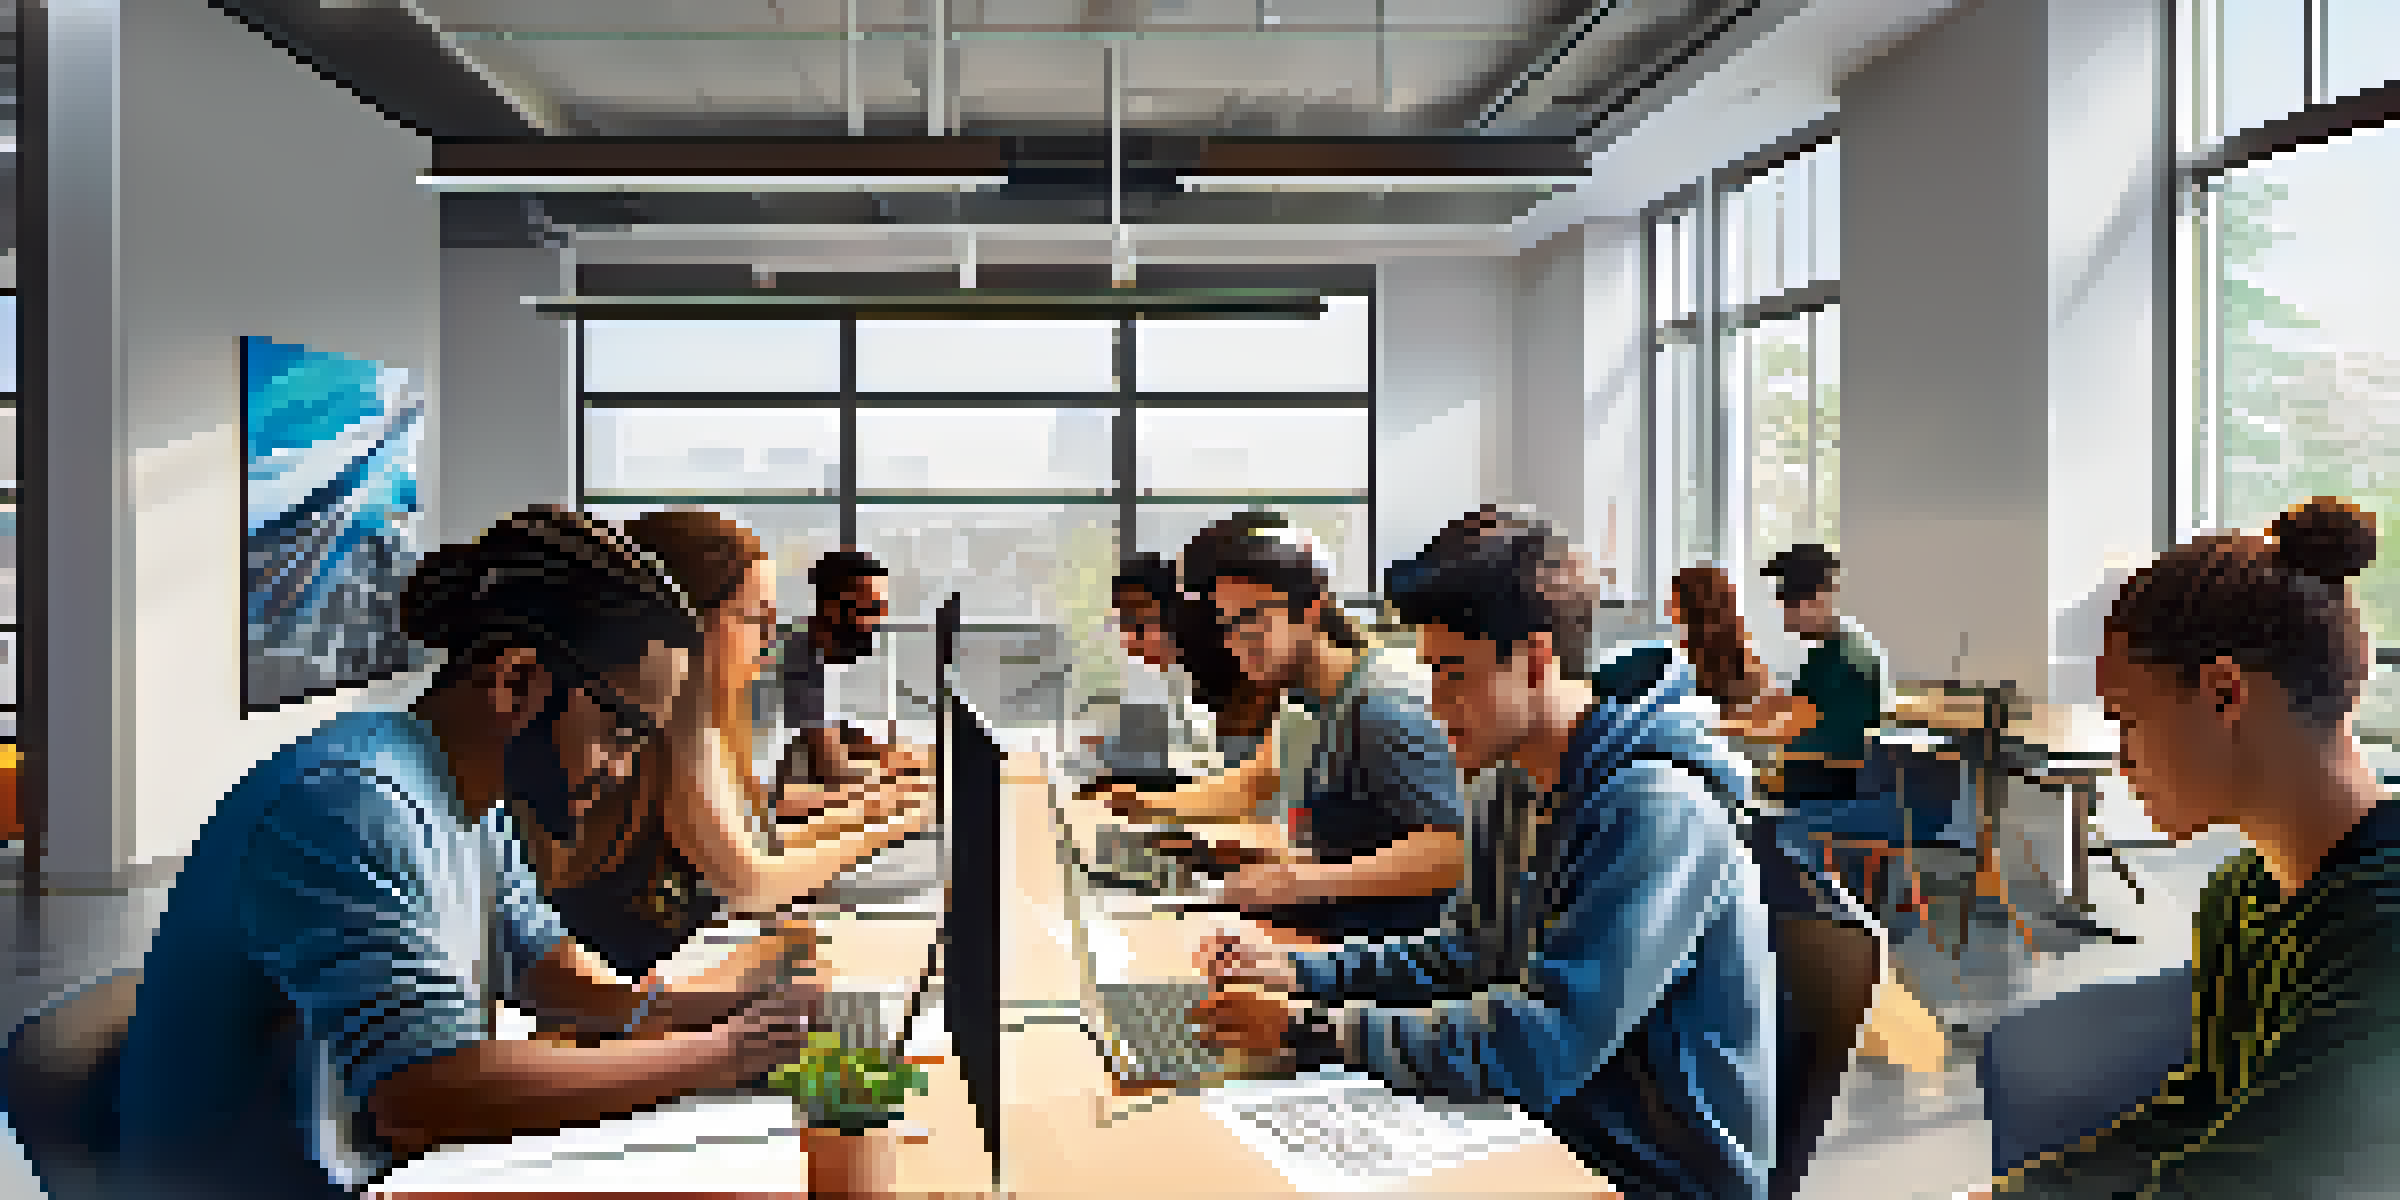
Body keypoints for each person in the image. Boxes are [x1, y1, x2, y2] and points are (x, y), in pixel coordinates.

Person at [106, 507, 817, 1199]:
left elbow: (550, 972)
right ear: (517, 682)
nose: (623, 770)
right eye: (620, 732)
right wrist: (724, 1054)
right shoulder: (354, 804)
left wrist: (719, 1007)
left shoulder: (469, 794)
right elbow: (425, 1098)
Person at [1194, 505, 1777, 1200]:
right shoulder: (1510, 781)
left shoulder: (1659, 806)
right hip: (1540, 1126)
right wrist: (1299, 973)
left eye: (1454, 673)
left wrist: (1314, 1030)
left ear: (1534, 660)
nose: (1435, 705)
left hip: (1644, 1173)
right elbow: (1462, 955)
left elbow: (1548, 1042)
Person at [1973, 497, 2400, 1199]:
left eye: (2130, 720)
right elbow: (2204, 1110)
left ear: (2225, 693)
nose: (2122, 759)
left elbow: (2267, 1178)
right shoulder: (2243, 894)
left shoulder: (2382, 926)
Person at [510, 510, 932, 986]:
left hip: (663, 977)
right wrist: (900, 819)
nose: (770, 640)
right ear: (685, 618)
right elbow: (749, 882)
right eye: (755, 618)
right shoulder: (673, 718)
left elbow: (758, 836)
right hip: (637, 990)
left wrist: (887, 809)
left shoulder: (705, 713)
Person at [1106, 514, 1467, 942]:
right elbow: (1257, 780)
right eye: (1227, 624)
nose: (1237, 639)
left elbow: (1451, 851)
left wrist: (1303, 882)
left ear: (1311, 609)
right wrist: (1147, 809)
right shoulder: (1301, 698)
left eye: (1252, 616)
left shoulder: (1383, 703)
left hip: (1384, 953)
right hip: (1334, 928)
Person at [1072, 552, 1277, 784]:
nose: (1128, 642)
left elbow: (1237, 782)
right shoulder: (1188, 676)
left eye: (1138, 626)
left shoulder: (1247, 681)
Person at [1759, 546, 1894, 887]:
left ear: (1819, 599)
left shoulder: (1833, 659)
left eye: (1791, 608)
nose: (1787, 621)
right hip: (1852, 780)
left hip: (1832, 787)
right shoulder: (1854, 646)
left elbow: (1809, 735)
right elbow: (1807, 714)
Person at [773, 548, 930, 804]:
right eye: (871, 607)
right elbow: (832, 771)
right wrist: (897, 778)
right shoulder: (798, 658)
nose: (880, 620)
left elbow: (831, 729)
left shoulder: (812, 650)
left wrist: (884, 754)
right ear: (832, 608)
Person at [1670, 565, 1819, 797]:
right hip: (1726, 760)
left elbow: (1777, 710)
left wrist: (1711, 727)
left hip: (1735, 764)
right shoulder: (1698, 652)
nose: (1671, 612)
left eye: (1676, 603)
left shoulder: (1733, 652)